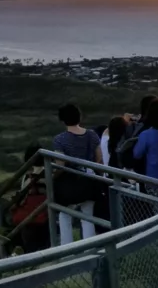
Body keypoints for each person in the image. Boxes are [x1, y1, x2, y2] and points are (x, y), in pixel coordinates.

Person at [52, 103, 103, 245]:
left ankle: (67, 250)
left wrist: (52, 177)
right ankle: (90, 249)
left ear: (63, 120)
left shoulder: (60, 139)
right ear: (79, 117)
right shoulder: (92, 135)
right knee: (88, 218)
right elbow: (99, 160)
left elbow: (60, 164)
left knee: (65, 216)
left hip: (68, 185)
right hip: (90, 181)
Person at [18, 142, 51, 253]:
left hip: (30, 218)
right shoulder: (50, 172)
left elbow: (22, 196)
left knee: (31, 248)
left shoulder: (27, 177)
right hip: (47, 215)